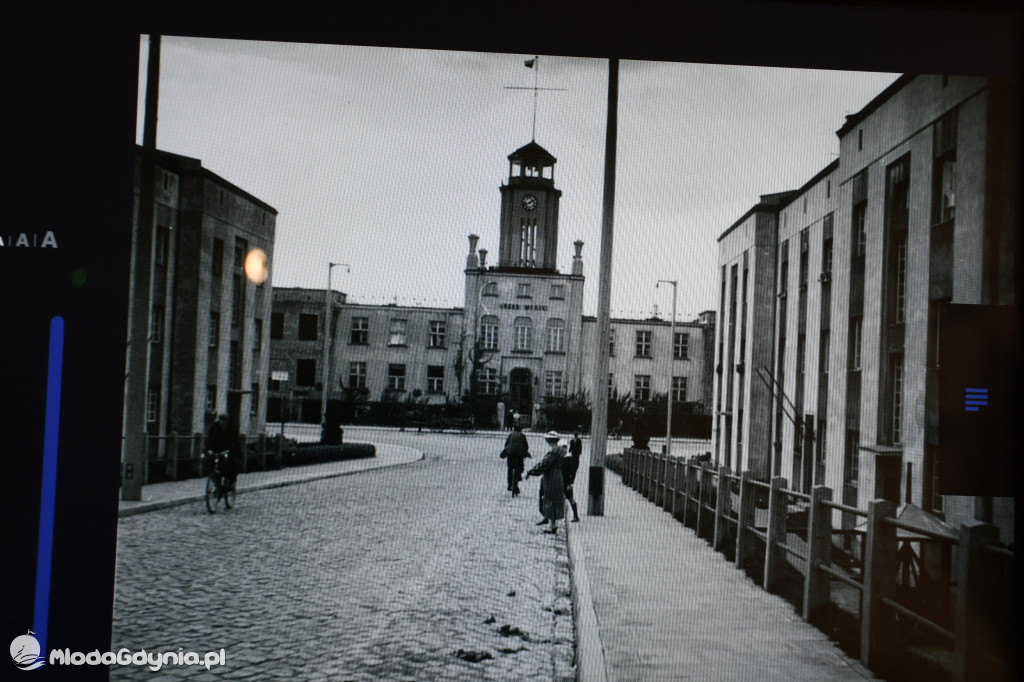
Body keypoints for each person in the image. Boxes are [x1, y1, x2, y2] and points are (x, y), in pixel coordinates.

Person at [526, 431, 566, 534]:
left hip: (551, 477)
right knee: (556, 499)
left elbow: (543, 465)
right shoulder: (561, 452)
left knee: (550, 498)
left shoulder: (552, 453)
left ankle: (552, 526)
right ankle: (553, 524)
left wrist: (531, 472)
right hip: (559, 476)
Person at [205, 412, 240, 491]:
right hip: (217, 450)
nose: (222, 422)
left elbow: (234, 441)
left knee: (232, 465)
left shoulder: (233, 427)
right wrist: (209, 449)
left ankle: (231, 483)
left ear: (228, 420)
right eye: (220, 419)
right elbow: (209, 438)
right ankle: (217, 485)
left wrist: (229, 450)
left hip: (230, 450)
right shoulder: (215, 426)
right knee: (211, 466)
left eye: (224, 420)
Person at [500, 422, 531, 496]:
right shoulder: (523, 436)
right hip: (519, 455)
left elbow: (506, 444)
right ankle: (517, 478)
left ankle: (510, 484)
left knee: (510, 469)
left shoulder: (510, 435)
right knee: (520, 467)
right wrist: (525, 453)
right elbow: (526, 446)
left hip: (510, 454)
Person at [563, 429, 583, 522]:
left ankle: (575, 516)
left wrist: (570, 482)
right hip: (563, 482)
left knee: (570, 499)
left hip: (565, 482)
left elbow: (573, 472)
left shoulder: (567, 460)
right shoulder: (565, 458)